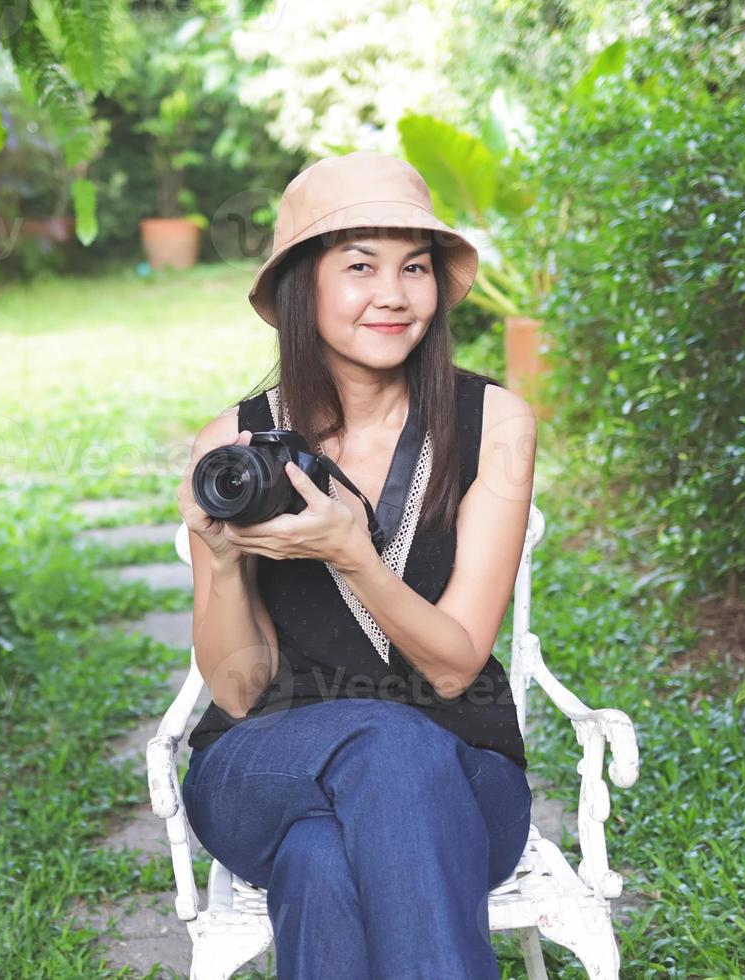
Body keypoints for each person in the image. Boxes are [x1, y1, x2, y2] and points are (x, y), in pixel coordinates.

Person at [175, 151, 537, 979]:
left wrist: (352, 554)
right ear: (305, 284)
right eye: (361, 266)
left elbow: (453, 669)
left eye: (415, 267)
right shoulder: (233, 446)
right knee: (385, 744)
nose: (393, 294)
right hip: (265, 758)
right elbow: (236, 690)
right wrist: (225, 562)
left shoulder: (496, 424)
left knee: (321, 859)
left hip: (465, 768)